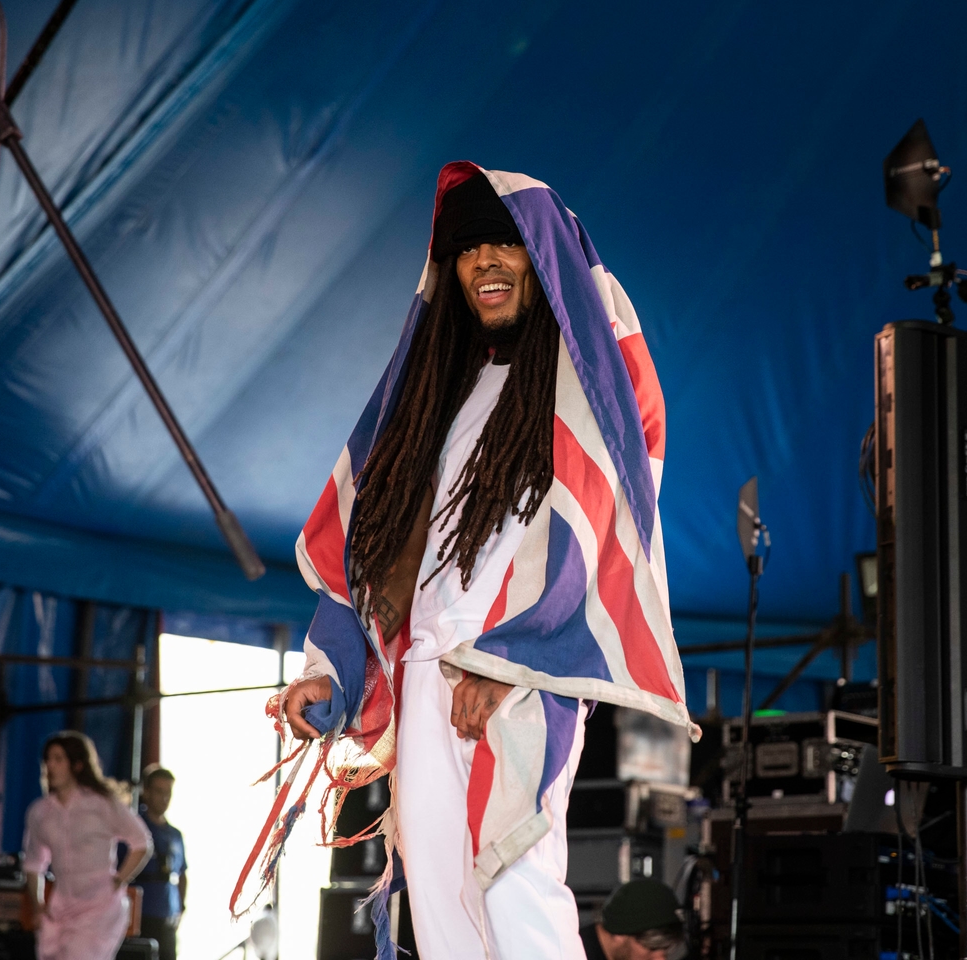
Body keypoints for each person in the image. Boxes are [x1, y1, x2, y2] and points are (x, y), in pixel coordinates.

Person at [238, 164, 693, 960]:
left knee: (514, 887)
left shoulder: (586, 389)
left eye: (505, 243)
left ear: (541, 258)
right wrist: (331, 671)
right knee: (442, 903)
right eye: (468, 248)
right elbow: (373, 544)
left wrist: (517, 665)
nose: (485, 261)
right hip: (424, 670)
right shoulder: (433, 397)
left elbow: (610, 526)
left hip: (517, 675)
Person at [23, 731, 153, 960]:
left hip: (98, 907)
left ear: (77, 765)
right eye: (47, 760)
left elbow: (141, 842)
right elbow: (34, 863)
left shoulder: (101, 804)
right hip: (60, 908)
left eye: (58, 759)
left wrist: (119, 879)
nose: (50, 766)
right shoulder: (40, 812)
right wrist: (38, 905)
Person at [132, 765, 187, 960]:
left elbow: (182, 874)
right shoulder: (134, 828)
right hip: (139, 918)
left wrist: (181, 907)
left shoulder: (175, 835)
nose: (164, 798)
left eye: (168, 792)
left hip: (167, 917)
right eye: (158, 791)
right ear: (146, 792)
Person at [579, 879, 687, 960]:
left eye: (665, 950)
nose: (660, 959)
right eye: (652, 948)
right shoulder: (573, 953)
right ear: (619, 935)